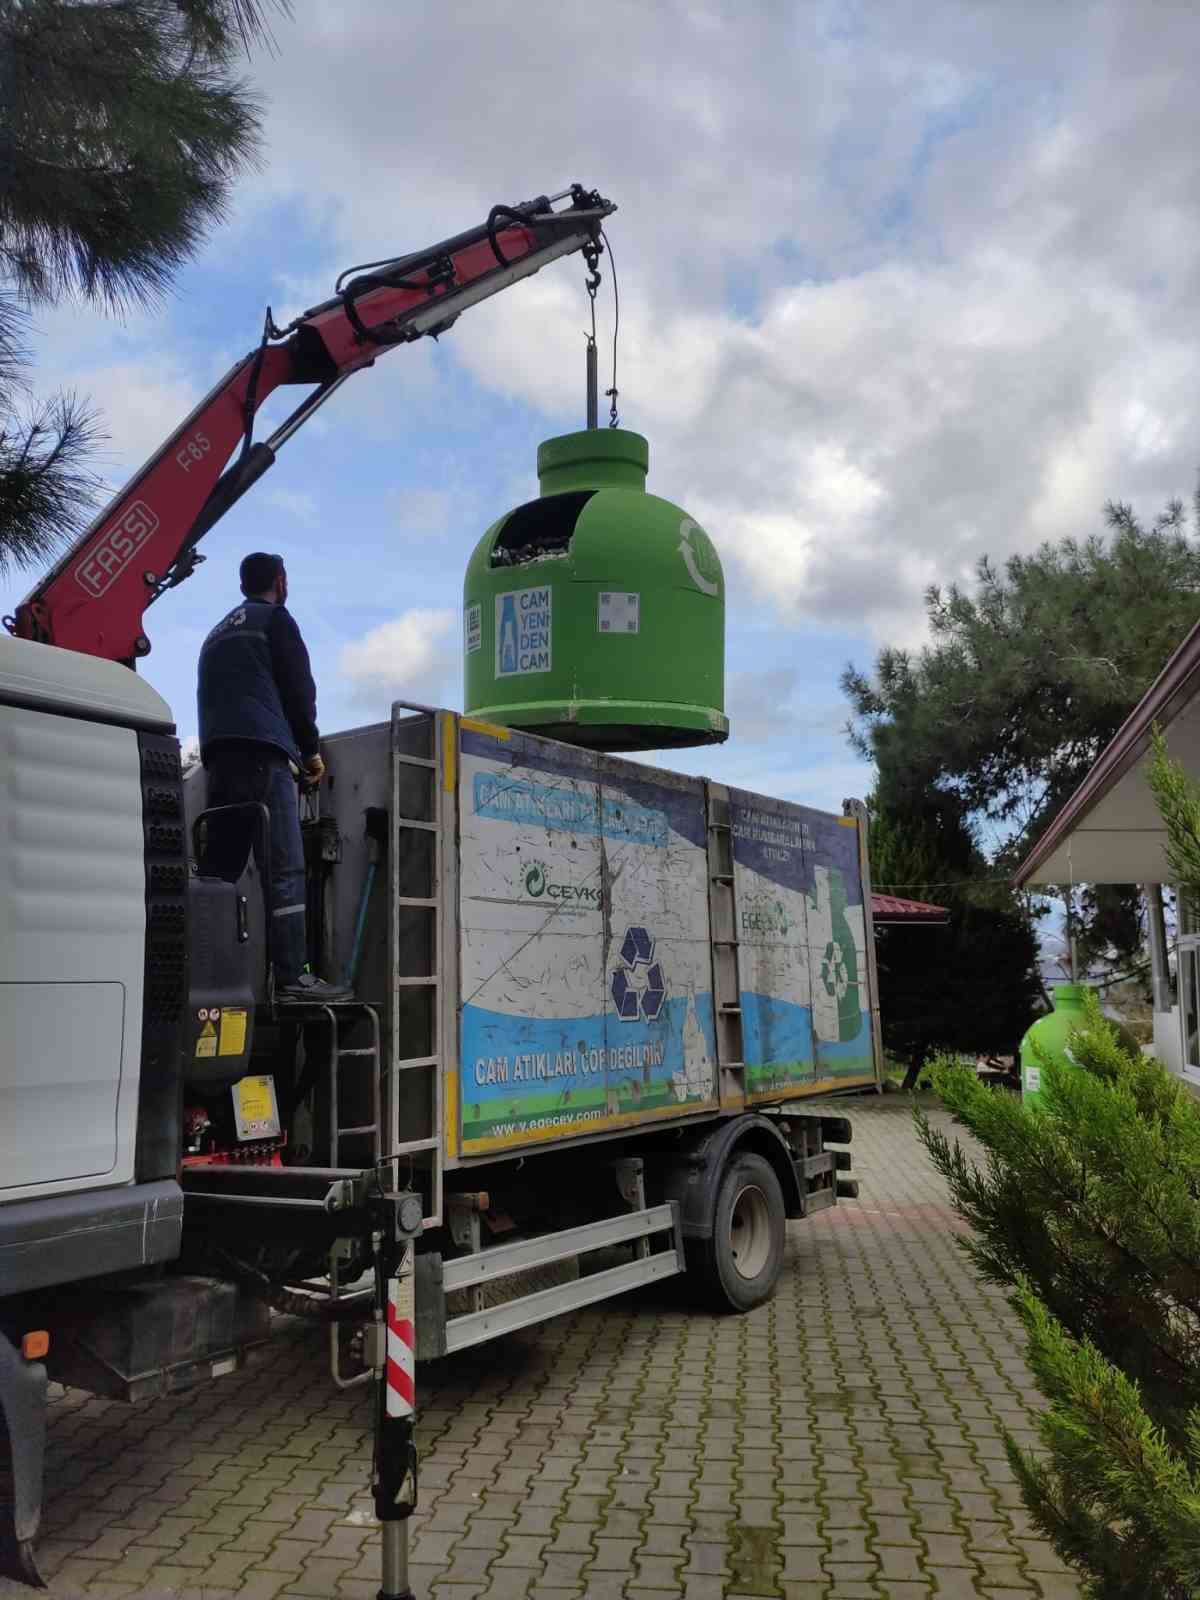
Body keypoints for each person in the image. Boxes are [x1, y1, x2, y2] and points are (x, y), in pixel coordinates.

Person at [197, 552, 349, 1002]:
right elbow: (300, 693)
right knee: (285, 869)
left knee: (218, 876)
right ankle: (293, 978)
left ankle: (209, 977)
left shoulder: (216, 632)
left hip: (218, 762)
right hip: (265, 757)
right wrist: (310, 754)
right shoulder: (276, 620)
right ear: (280, 581)